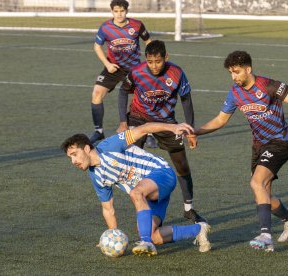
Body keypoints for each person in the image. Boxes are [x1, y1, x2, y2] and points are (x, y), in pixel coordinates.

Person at [191, 51, 288, 252]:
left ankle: (265, 235)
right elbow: (220, 120)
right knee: (262, 196)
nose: (233, 77)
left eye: (236, 72)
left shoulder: (269, 86)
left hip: (280, 143)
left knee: (256, 182)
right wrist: (196, 132)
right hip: (259, 146)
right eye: (230, 73)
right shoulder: (234, 94)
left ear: (248, 69)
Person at [61, 122, 211, 256]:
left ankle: (146, 242)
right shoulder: (96, 176)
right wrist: (113, 235)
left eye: (75, 155)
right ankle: (198, 230)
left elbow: (144, 128)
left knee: (136, 193)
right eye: (70, 158)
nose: (73, 161)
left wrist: (172, 127)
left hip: (161, 173)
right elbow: (108, 209)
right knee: (154, 236)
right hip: (149, 195)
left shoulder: (110, 146)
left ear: (87, 149)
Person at [118, 40, 206, 223]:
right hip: (138, 118)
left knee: (182, 164)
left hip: (166, 122)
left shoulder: (176, 73)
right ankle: (142, 205)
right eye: (150, 62)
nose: (154, 66)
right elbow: (122, 91)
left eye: (158, 61)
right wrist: (122, 122)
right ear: (146, 59)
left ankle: (189, 208)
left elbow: (186, 100)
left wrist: (190, 130)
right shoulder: (137, 72)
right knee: (132, 163)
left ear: (166, 57)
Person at [89, 0, 153, 144]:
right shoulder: (106, 27)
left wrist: (150, 63)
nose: (119, 14)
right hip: (113, 68)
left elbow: (149, 42)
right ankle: (98, 131)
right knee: (97, 93)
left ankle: (148, 133)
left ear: (127, 11)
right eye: (116, 11)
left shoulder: (137, 25)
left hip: (134, 69)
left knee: (142, 99)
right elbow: (97, 47)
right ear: (112, 12)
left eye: (122, 11)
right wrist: (107, 64)